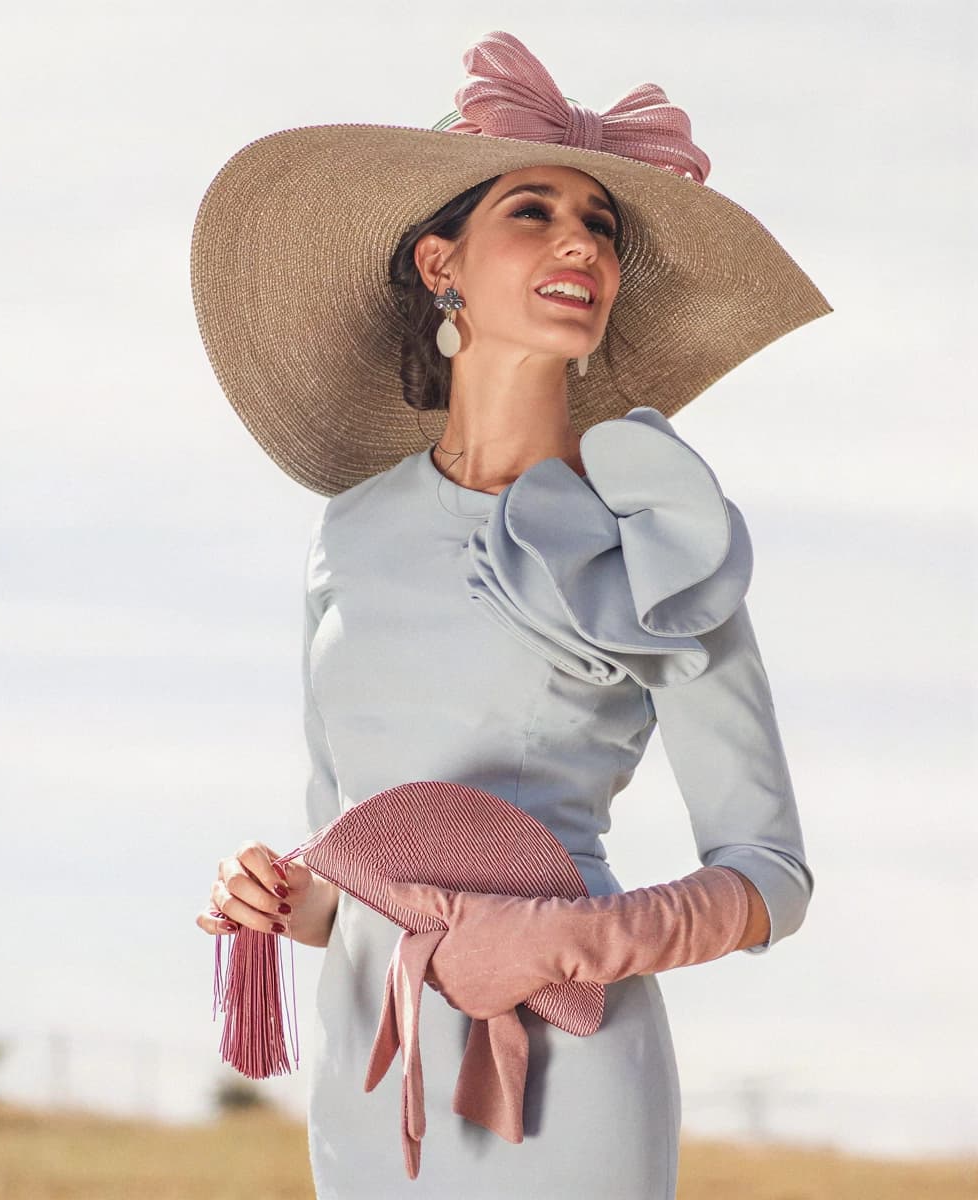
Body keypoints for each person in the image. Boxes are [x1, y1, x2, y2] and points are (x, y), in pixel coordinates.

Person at [190, 29, 830, 1199]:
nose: (580, 240)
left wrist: (563, 941)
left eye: (601, 227)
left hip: (568, 1055)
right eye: (532, 212)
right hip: (364, 1073)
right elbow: (347, 863)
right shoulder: (349, 528)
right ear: (442, 265)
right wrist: (282, 895)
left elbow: (769, 875)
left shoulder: (656, 536)